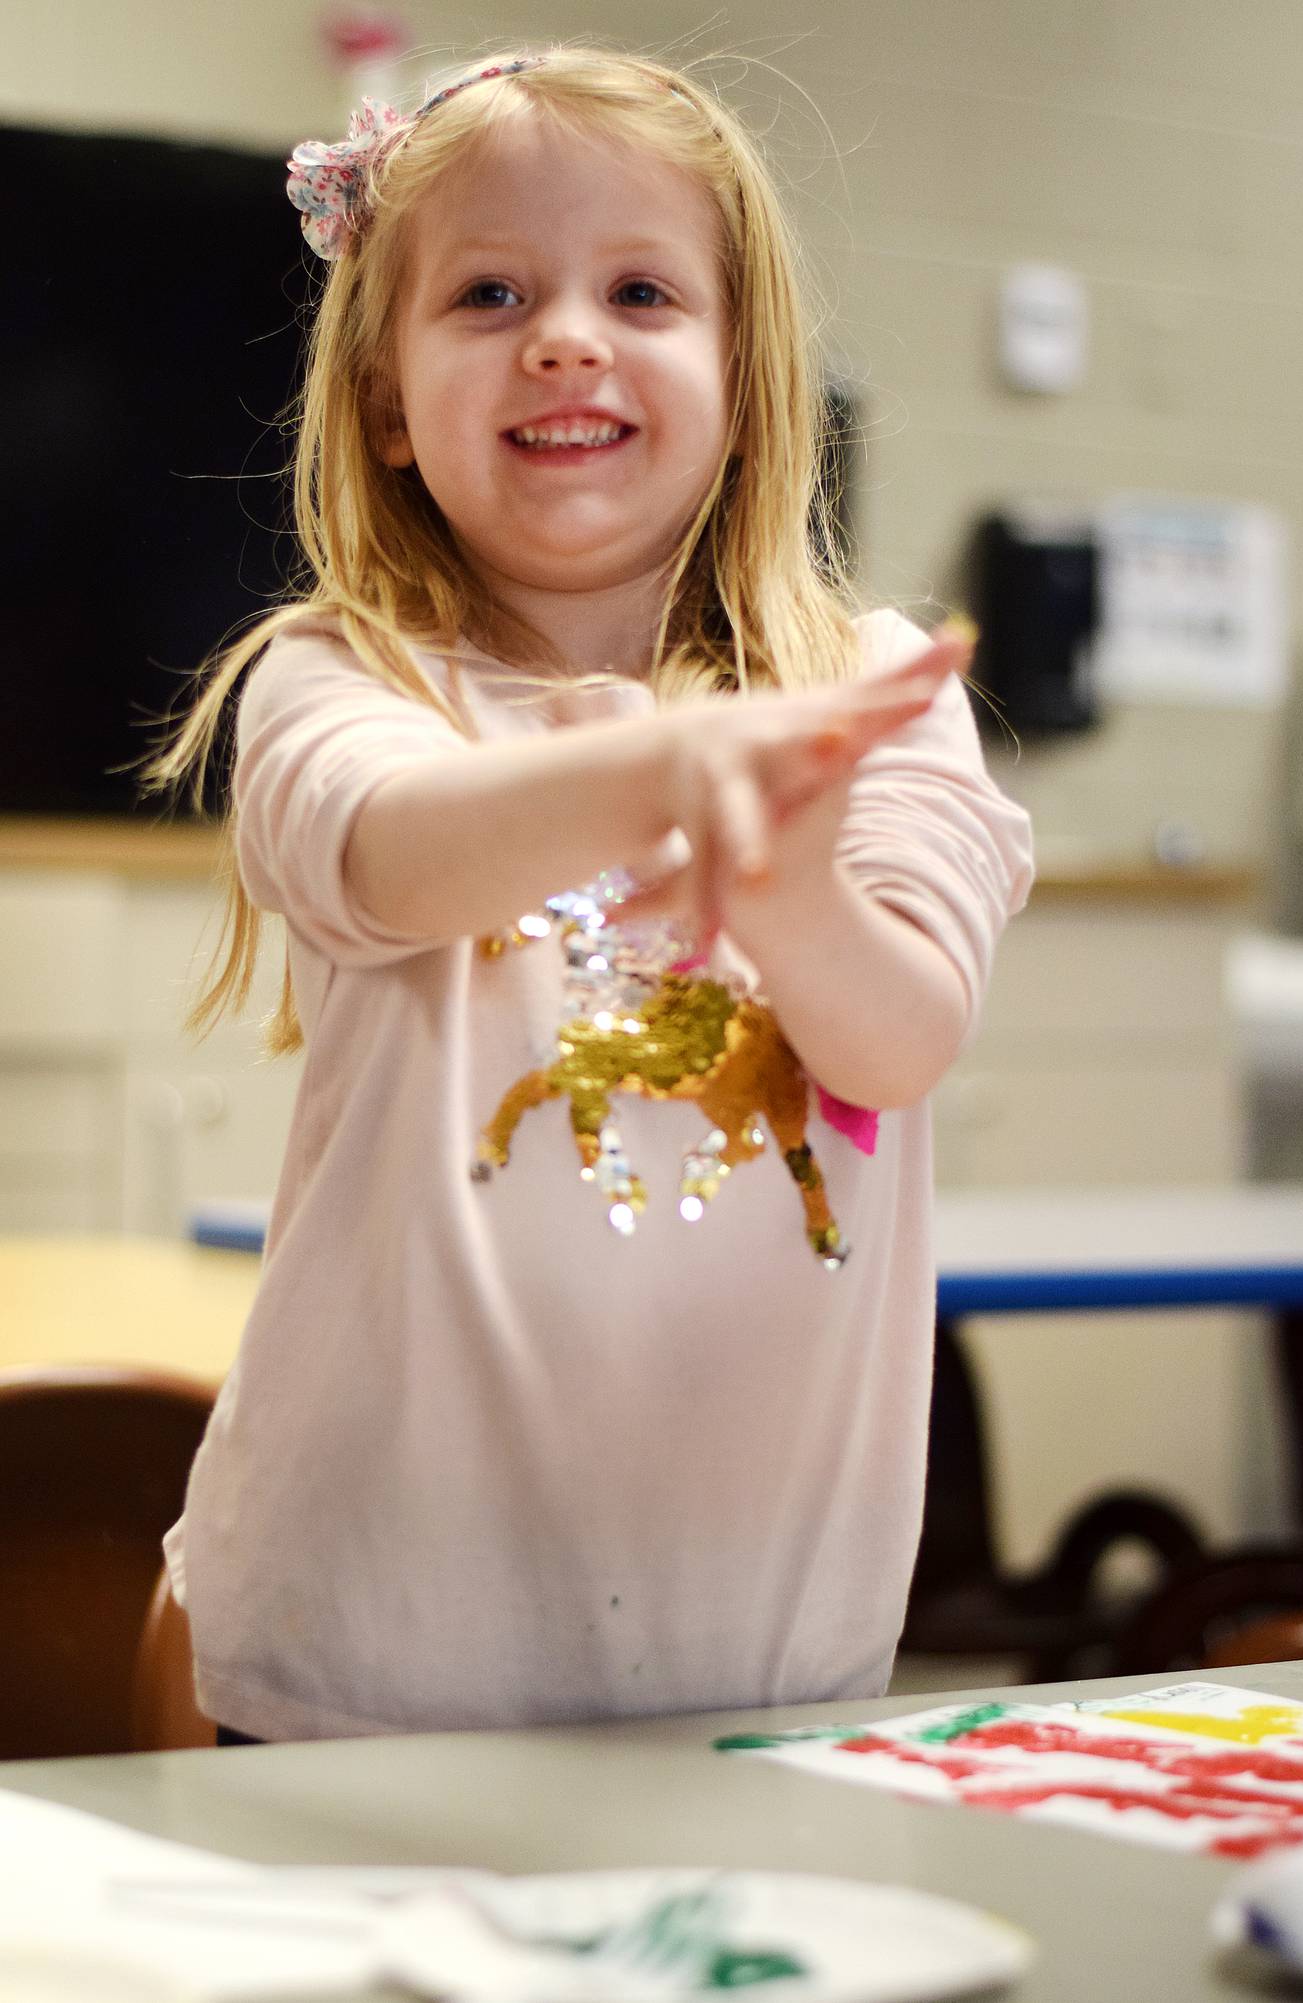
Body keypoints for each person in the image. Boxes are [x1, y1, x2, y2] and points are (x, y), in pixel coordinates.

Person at [149, 47, 1034, 1744]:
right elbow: (382, 853)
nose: (565, 334)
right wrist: (654, 776)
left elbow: (902, 1033)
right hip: (362, 1656)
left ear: (744, 380)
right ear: (391, 403)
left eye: (640, 289)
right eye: (489, 292)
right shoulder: (340, 678)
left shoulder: (876, 690)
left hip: (750, 1652)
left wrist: (782, 882)